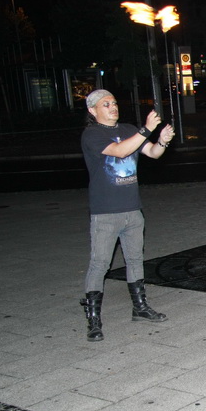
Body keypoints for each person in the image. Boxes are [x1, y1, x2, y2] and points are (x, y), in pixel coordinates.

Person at [79, 90, 175, 342]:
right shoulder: (92, 134)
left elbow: (152, 153)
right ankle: (93, 320)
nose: (113, 107)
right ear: (92, 110)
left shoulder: (128, 128)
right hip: (105, 212)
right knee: (100, 264)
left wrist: (162, 140)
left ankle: (140, 308)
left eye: (114, 102)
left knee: (135, 259)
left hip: (132, 209)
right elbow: (120, 151)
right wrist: (146, 129)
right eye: (105, 104)